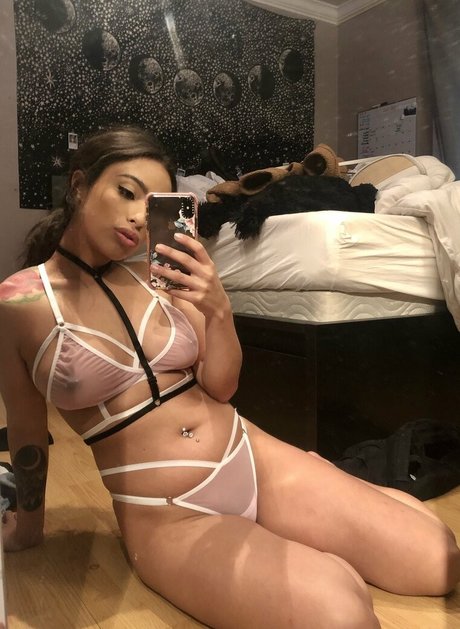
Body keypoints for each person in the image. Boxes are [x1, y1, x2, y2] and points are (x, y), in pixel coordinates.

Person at [0, 126, 459, 629]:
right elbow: (26, 426)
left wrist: (218, 307)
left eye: (152, 205)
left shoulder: (161, 275)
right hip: (167, 511)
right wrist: (28, 528)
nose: (138, 217)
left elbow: (221, 386)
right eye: (126, 192)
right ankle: (319, 534)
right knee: (343, 614)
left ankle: (323, 502)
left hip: (251, 454)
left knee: (439, 561)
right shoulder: (21, 302)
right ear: (80, 185)